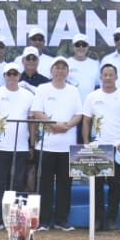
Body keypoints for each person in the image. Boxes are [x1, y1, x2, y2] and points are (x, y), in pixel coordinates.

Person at [29, 57, 82, 230]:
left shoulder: (73, 90)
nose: (60, 71)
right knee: (44, 184)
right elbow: (36, 111)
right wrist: (53, 125)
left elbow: (79, 115)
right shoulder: (42, 89)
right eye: (57, 68)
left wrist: (66, 126)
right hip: (46, 145)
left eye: (63, 68)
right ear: (51, 71)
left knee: (65, 184)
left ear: (68, 72)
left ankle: (61, 220)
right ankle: (43, 220)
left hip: (67, 145)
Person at [82, 62, 120, 231]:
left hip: (117, 147)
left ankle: (112, 219)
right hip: (97, 146)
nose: (108, 78)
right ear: (101, 77)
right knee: (96, 185)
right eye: (105, 75)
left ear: (116, 77)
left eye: (111, 75)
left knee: (114, 185)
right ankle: (97, 220)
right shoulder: (92, 97)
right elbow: (86, 121)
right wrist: (86, 143)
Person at [0, 63, 33, 230]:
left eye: (15, 74)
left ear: (19, 76)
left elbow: (31, 122)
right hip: (1, 147)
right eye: (9, 74)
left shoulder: (28, 95)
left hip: (21, 147)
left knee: (19, 183)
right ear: (4, 75)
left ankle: (17, 220)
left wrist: (31, 145)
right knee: (0, 183)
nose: (12, 77)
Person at [65, 33, 101, 101]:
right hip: (71, 103)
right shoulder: (66, 63)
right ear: (73, 47)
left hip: (90, 105)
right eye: (77, 45)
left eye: (84, 45)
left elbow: (98, 87)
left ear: (88, 47)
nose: (81, 47)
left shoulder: (95, 64)